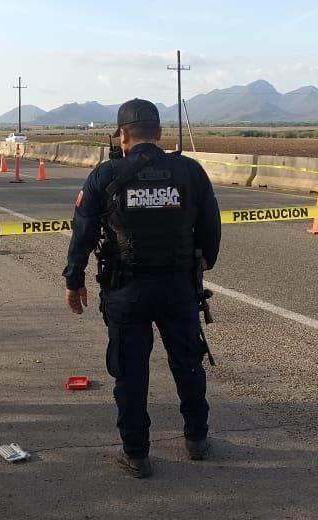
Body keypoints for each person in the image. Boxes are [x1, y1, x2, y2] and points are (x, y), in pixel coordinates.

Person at [63, 98, 222, 478]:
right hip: (178, 287)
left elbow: (82, 233)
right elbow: (211, 231)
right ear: (160, 133)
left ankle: (136, 453)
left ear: (122, 135)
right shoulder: (189, 171)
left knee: (130, 372)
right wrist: (199, 265)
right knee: (187, 363)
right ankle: (197, 439)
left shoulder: (105, 176)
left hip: (125, 291)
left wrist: (74, 280)